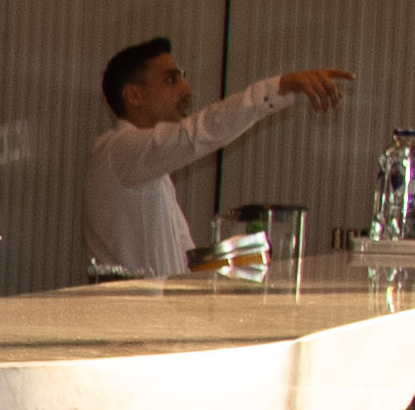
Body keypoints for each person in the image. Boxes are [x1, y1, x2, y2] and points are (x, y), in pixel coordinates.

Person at [84, 36, 350, 274]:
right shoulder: (118, 150)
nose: (187, 90)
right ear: (134, 95)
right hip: (133, 313)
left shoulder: (147, 164)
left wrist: (239, 257)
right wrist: (278, 87)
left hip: (155, 311)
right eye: (171, 80)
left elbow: (183, 264)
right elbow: (197, 133)